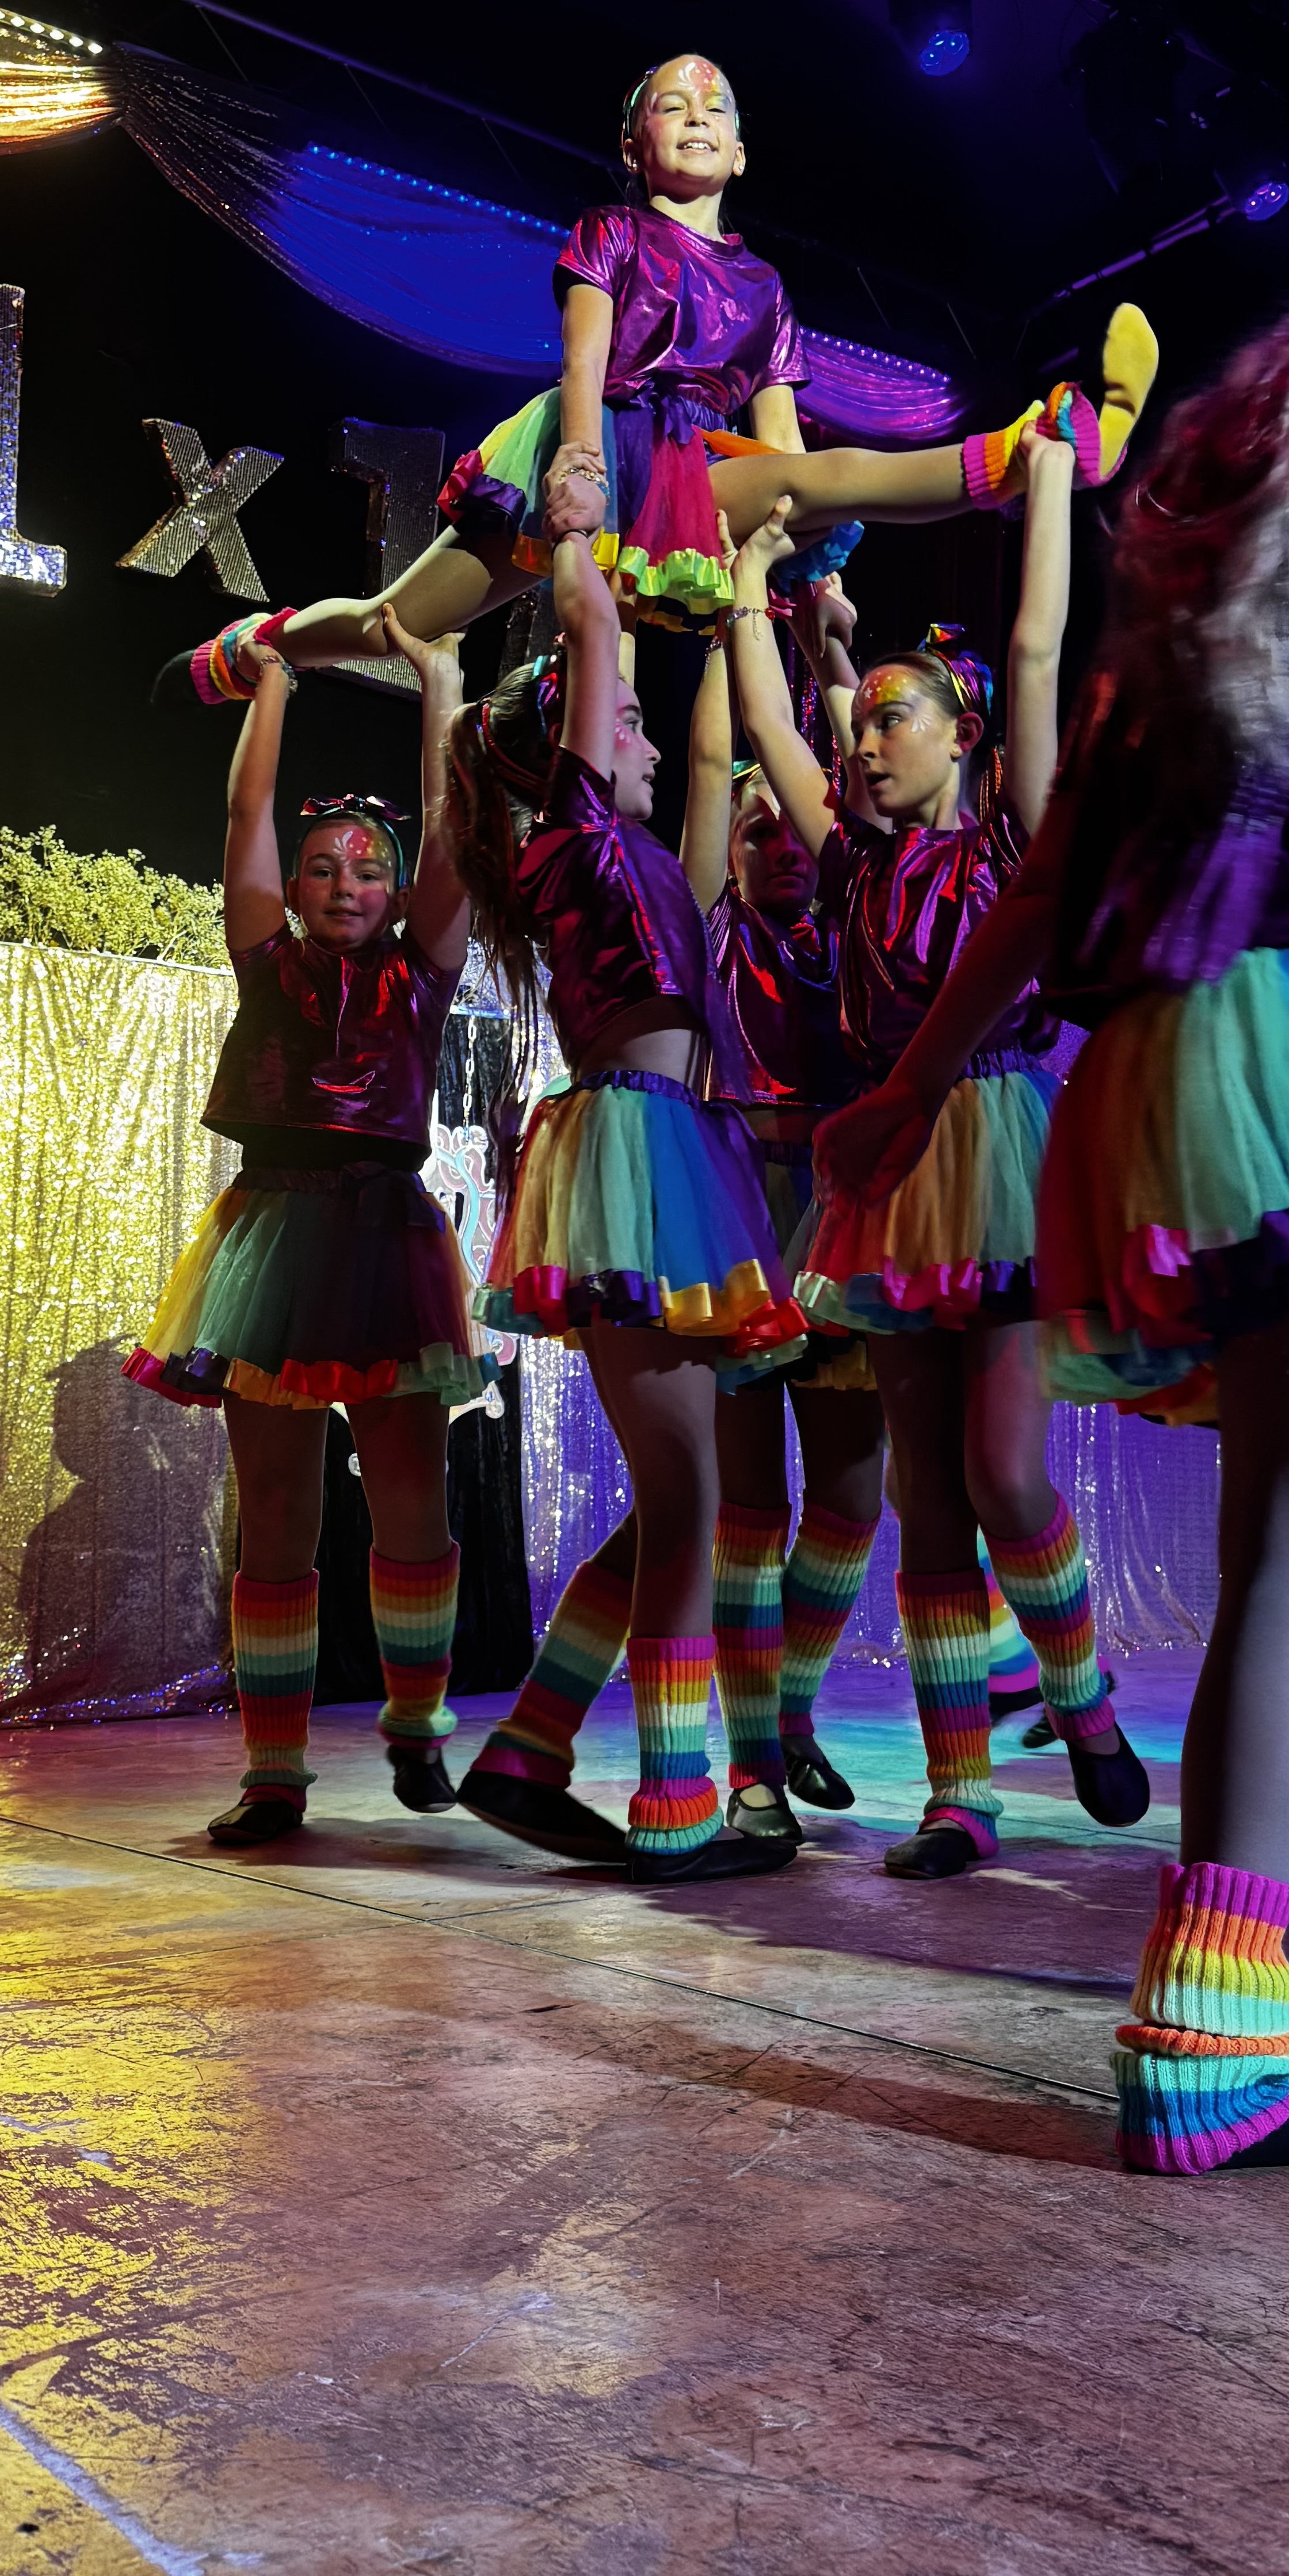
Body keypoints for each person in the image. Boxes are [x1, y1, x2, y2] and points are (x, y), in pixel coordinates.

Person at [818, 307, 1289, 2168]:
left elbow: (1031, 906)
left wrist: (908, 1087)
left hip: (1180, 1073)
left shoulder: (1162, 663)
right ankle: (1212, 2030)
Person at [175, 56, 1158, 691]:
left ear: (741, 153)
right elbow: (585, 356)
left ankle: (1036, 450)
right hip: (600, 441)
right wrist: (577, 462)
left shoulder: (765, 287)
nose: (695, 116)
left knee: (821, 473)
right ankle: (258, 645)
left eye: (714, 107)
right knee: (395, 624)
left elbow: (784, 447)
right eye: (670, 105)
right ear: (631, 144)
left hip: (701, 470)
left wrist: (813, 568)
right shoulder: (613, 231)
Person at [728, 448, 1148, 1877]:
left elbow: (1033, 648)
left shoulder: (1013, 837)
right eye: (859, 726)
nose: (863, 744)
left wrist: (1048, 478)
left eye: (890, 720)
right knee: (927, 1501)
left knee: (1002, 1470)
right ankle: (957, 1794)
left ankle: (1080, 1698)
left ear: (960, 735)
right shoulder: (850, 861)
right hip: (896, 1174)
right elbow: (771, 723)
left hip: (1005, 1149)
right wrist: (743, 584)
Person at [443, 528, 808, 1884]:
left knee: (679, 1504)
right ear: (570, 748)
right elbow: (593, 635)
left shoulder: (647, 862)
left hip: (678, 1156)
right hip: (631, 1161)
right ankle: (672, 1803)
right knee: (686, 1500)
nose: (644, 740)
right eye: (623, 722)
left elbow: (709, 762)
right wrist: (582, 521)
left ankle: (532, 1747)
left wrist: (736, 619)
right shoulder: (573, 836)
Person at [125, 612, 490, 1845]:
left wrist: (439, 682)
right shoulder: (264, 959)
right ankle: (272, 1771)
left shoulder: (422, 971)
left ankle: (417, 1724)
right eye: (324, 866)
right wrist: (270, 680)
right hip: (273, 1234)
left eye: (367, 869)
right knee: (277, 1510)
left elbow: (450, 824)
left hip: (386, 1240)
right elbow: (246, 816)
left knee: (412, 1500)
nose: (343, 883)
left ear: (397, 891)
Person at [680, 614, 886, 1839]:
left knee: (851, 1497)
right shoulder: (706, 925)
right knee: (750, 1511)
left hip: (844, 1208)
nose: (779, 849)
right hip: (743, 1212)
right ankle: (753, 1759)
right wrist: (727, 619)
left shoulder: (861, 910)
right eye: (755, 831)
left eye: (790, 830)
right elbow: (716, 765)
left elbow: (860, 791)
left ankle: (789, 1708)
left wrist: (825, 660)